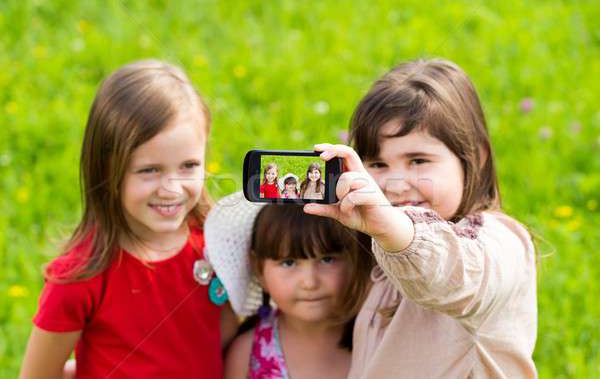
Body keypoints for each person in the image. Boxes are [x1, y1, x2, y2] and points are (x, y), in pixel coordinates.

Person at [304, 59, 538, 378]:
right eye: (377, 164)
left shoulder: (498, 242)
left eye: (418, 160)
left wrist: (393, 228)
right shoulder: (381, 250)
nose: (396, 184)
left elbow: (457, 279)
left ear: (476, 158)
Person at [19, 60, 238, 379]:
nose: (172, 188)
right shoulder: (80, 278)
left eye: (189, 165)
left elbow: (222, 339)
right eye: (150, 170)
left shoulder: (219, 243)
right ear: (108, 170)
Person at [203, 192, 372, 379]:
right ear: (258, 269)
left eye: (327, 259)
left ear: (355, 260)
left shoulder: (376, 339)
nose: (309, 282)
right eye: (289, 263)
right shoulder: (247, 354)